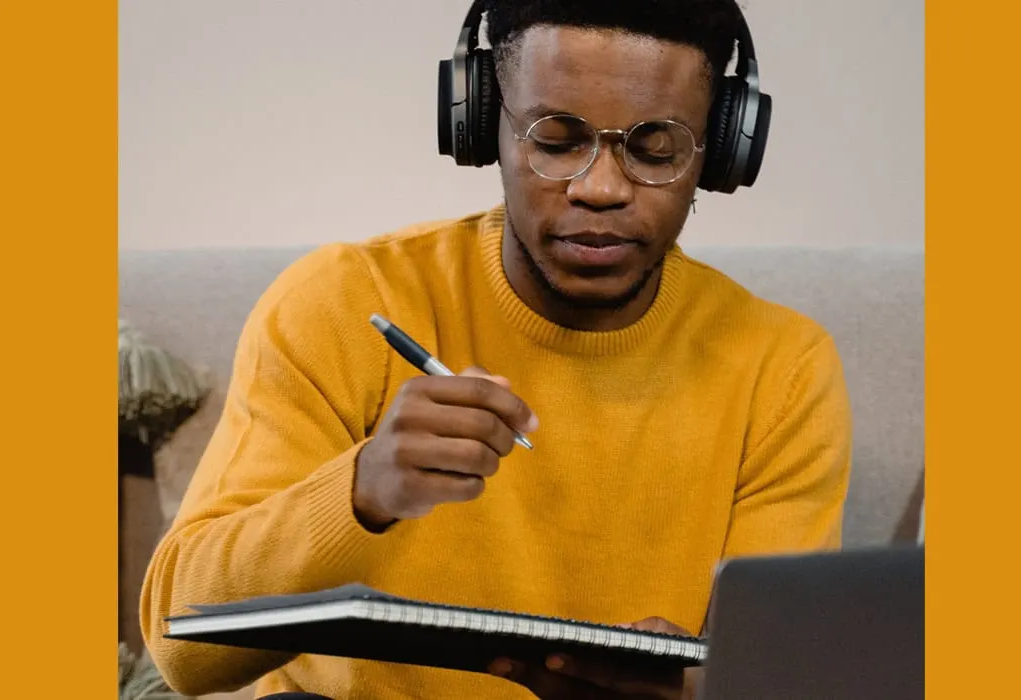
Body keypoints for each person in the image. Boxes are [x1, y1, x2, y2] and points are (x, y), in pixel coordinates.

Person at [139, 0, 852, 698]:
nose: (599, 188)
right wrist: (361, 490)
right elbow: (182, 651)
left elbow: (772, 673)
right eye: (556, 140)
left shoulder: (780, 368)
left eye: (654, 148)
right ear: (483, 128)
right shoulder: (342, 302)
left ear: (723, 150)